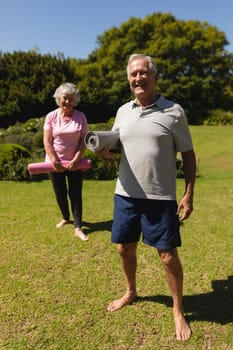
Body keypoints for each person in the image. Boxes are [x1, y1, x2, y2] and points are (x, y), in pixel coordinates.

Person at [99, 54, 196, 341]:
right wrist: (105, 153)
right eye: (133, 74)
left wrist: (189, 194)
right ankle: (131, 291)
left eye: (143, 73)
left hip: (160, 197)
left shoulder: (173, 111)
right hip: (126, 195)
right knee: (124, 249)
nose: (137, 78)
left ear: (154, 77)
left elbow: (189, 155)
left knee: (167, 257)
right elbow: (116, 152)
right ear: (128, 79)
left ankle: (178, 309)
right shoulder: (123, 111)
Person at [43, 82, 89, 242]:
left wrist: (77, 158)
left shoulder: (81, 116)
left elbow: (84, 141)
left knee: (75, 194)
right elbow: (47, 141)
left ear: (75, 100)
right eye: (64, 98)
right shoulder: (51, 116)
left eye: (71, 99)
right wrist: (54, 159)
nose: (67, 102)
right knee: (60, 193)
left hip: (75, 163)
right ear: (58, 98)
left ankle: (78, 227)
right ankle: (65, 217)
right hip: (54, 163)